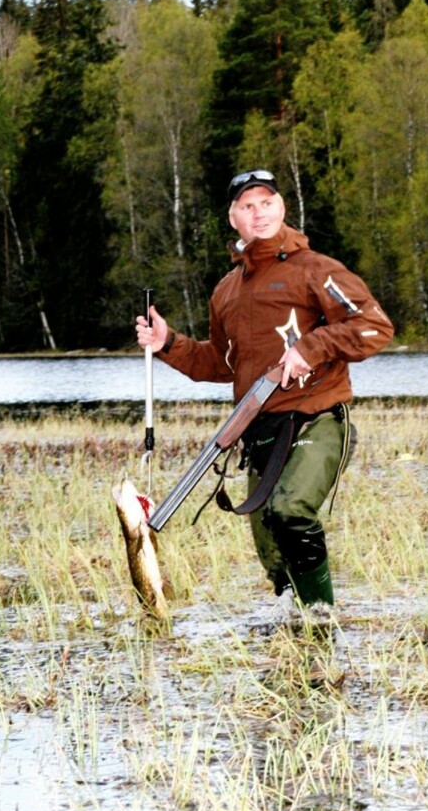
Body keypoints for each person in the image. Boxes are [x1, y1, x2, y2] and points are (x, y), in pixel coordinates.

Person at [135, 168, 394, 609]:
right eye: (248, 207)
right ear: (233, 217)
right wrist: (169, 344)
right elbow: (221, 364)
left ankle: (322, 620)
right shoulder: (226, 291)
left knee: (290, 512)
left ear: (282, 208)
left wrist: (310, 348)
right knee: (274, 555)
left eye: (267, 203)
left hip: (318, 417)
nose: (259, 214)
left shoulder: (317, 270)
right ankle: (298, 626)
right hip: (260, 432)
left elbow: (374, 327)